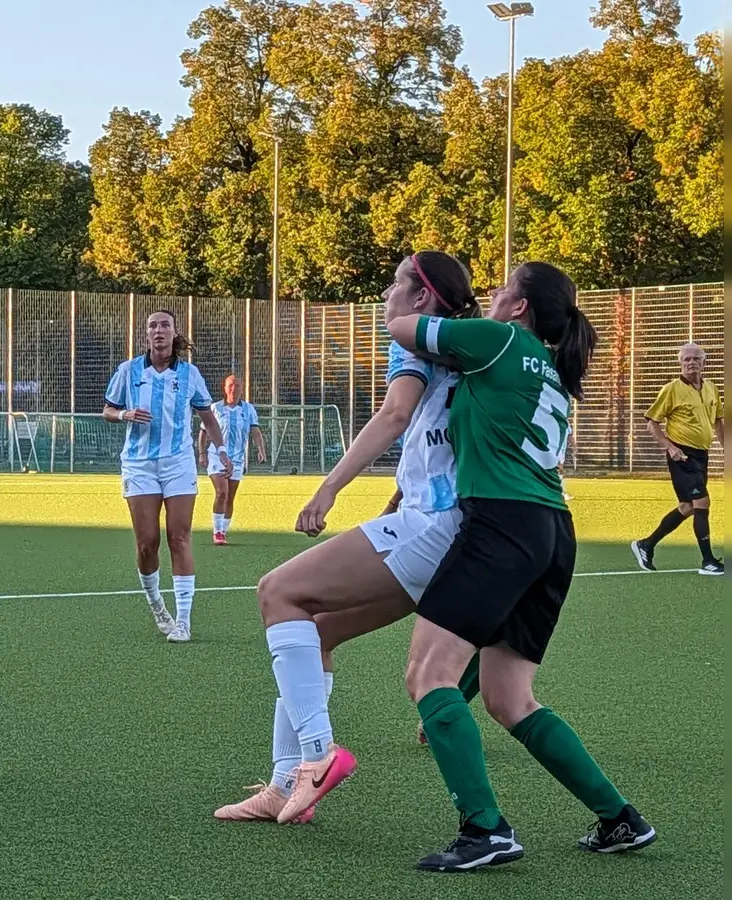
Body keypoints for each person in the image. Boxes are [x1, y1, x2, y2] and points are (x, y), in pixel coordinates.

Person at [390, 262, 655, 872]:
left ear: (520, 309)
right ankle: (619, 818)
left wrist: (417, 296)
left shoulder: (498, 337)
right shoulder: (554, 372)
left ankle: (485, 830)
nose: (491, 295)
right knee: (510, 696)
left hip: (501, 525)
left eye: (503, 289)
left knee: (428, 674)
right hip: (552, 532)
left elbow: (404, 326)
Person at [216, 252, 481, 825]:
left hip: (432, 527)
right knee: (320, 631)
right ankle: (285, 786)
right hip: (462, 535)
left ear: (421, 299)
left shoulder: (411, 340)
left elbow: (395, 414)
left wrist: (328, 487)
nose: (385, 293)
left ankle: (317, 755)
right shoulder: (477, 343)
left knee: (276, 592)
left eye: (395, 283)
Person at [102, 310, 228, 643]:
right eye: (153, 326)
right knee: (147, 543)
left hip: (178, 462)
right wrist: (126, 414)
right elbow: (107, 410)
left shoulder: (189, 374)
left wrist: (222, 451)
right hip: (139, 463)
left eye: (165, 325)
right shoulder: (128, 371)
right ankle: (157, 604)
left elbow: (207, 416)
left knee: (179, 537)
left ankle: (183, 620)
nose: (159, 330)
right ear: (146, 334)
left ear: (174, 334)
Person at [631, 342, 723, 575]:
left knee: (688, 507)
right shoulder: (672, 389)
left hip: (702, 455)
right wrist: (670, 447)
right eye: (686, 360)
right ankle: (708, 561)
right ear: (680, 363)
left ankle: (646, 544)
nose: (691, 363)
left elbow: (719, 420)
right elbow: (652, 422)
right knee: (702, 503)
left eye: (695, 359)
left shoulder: (711, 388)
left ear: (704, 362)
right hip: (682, 455)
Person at [203, 374, 267, 545]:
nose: (234, 389)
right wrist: (201, 453)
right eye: (231, 385)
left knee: (230, 496)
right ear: (225, 388)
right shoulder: (215, 408)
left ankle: (223, 531)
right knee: (221, 492)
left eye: (237, 386)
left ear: (242, 388)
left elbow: (255, 431)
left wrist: (261, 450)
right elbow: (204, 430)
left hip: (238, 459)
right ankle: (216, 532)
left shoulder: (248, 409)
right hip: (217, 456)